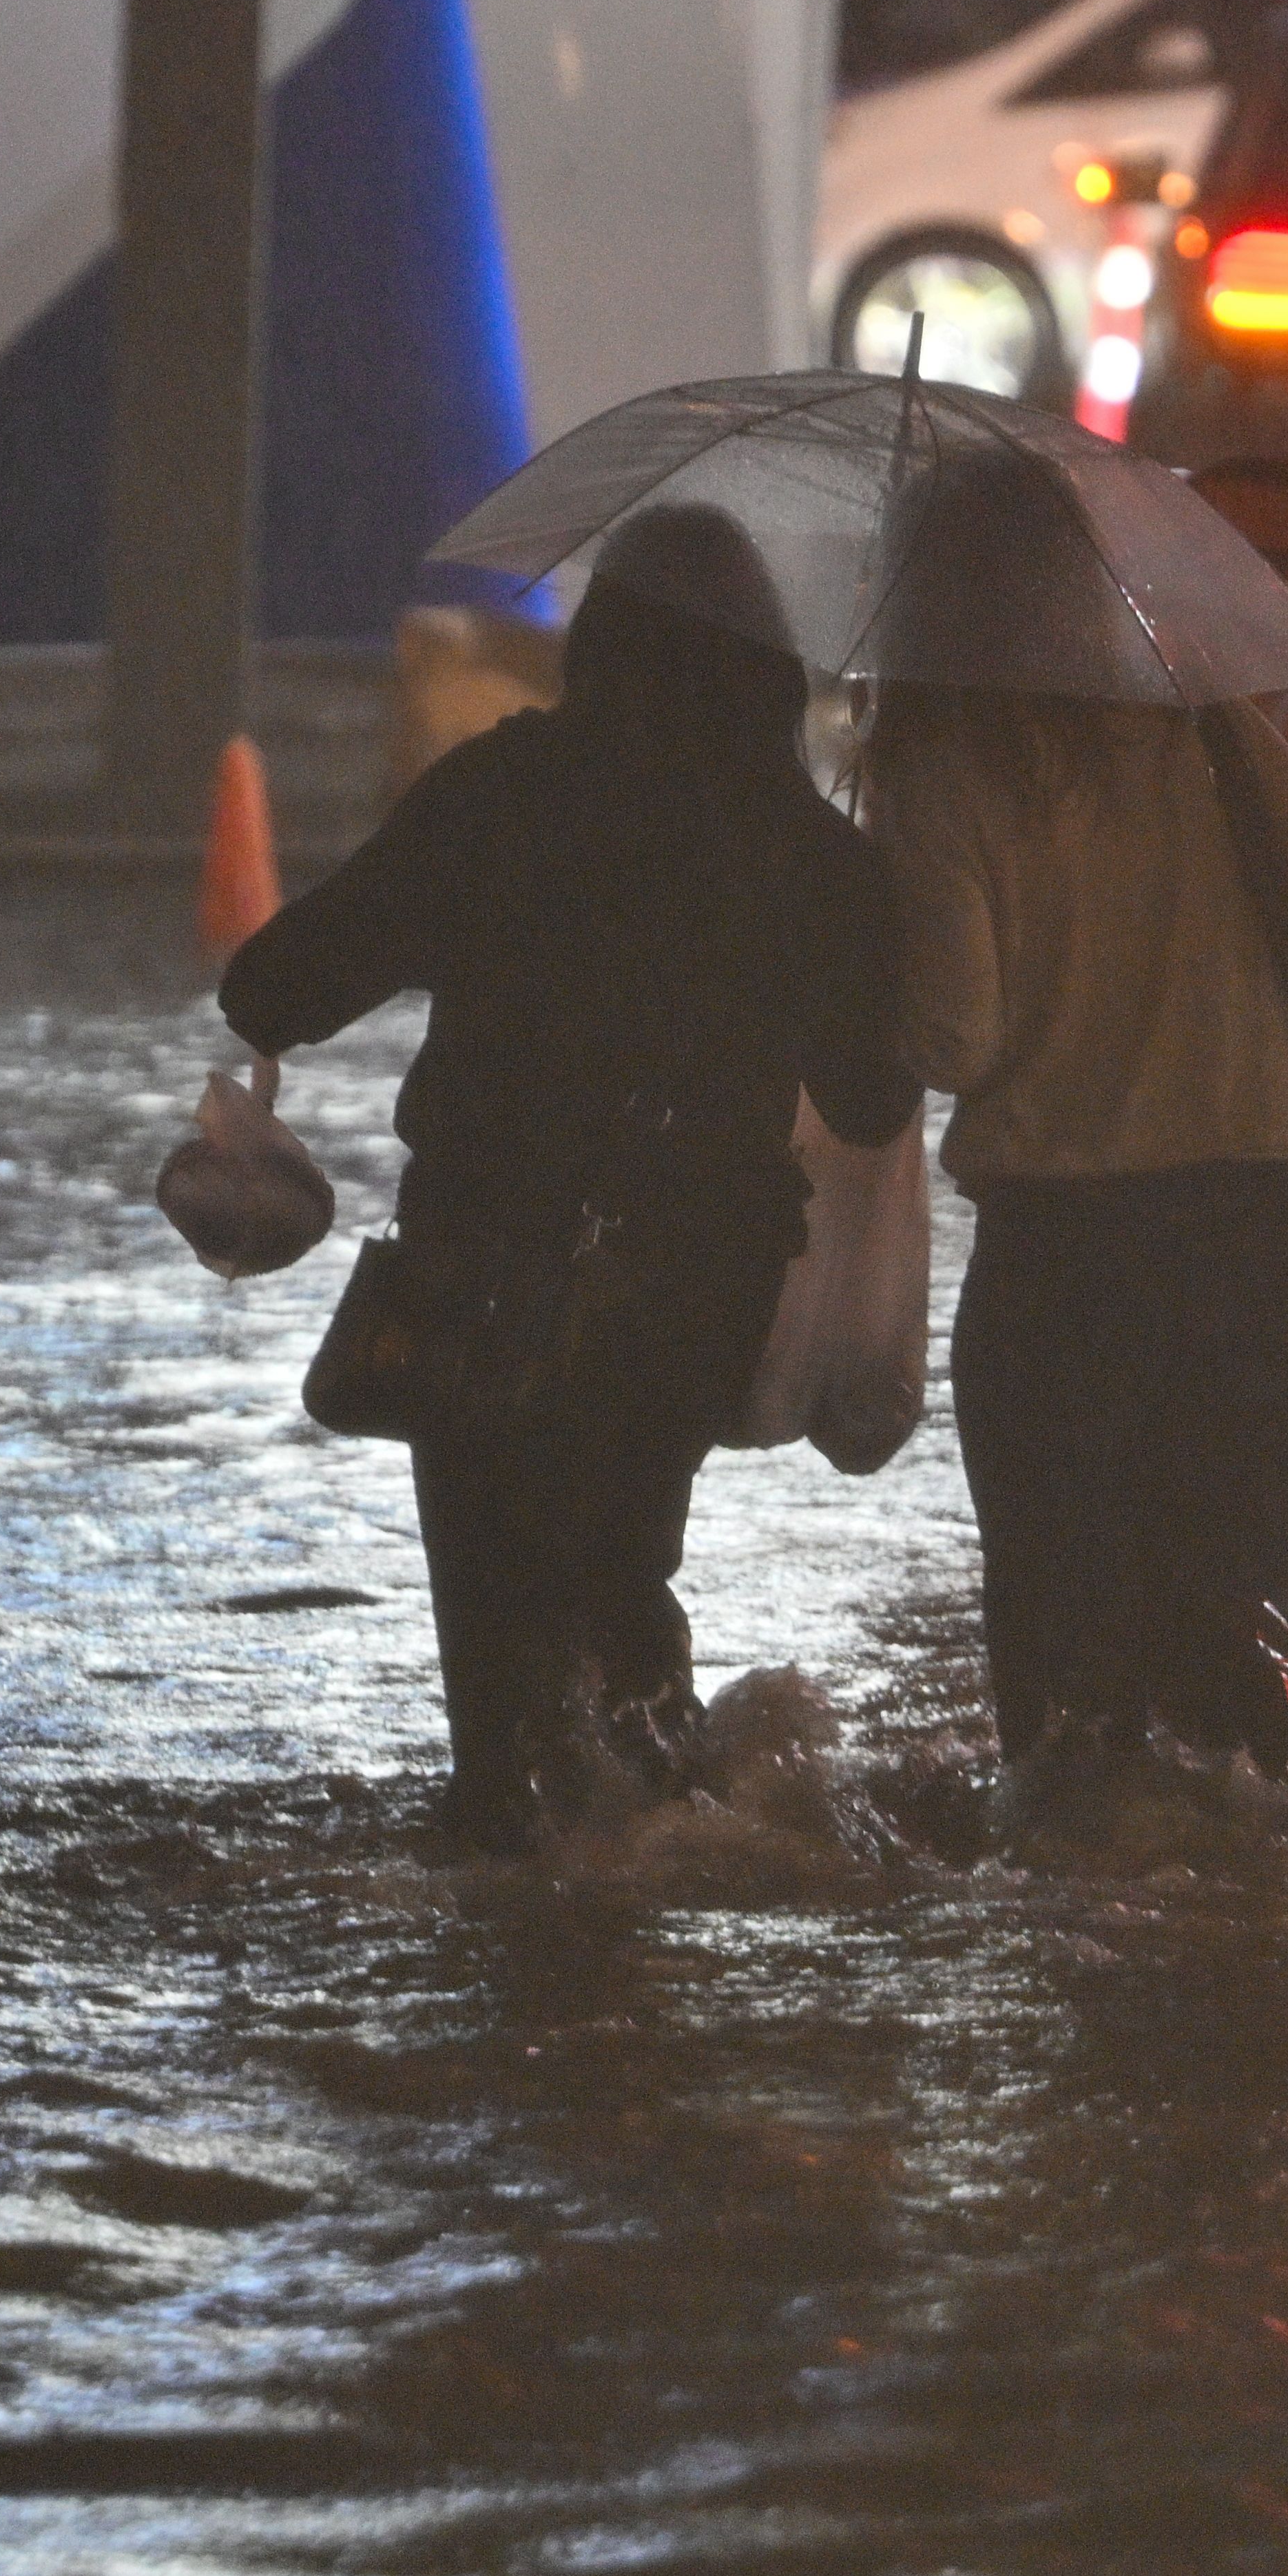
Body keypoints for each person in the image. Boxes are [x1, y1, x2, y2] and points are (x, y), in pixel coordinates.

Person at [220, 504, 915, 1849]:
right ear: (768, 672)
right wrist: (861, 892)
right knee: (623, 1586)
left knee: (504, 1663)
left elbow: (273, 986)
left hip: (488, 1269)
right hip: (697, 1288)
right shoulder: (813, 855)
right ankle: (656, 1874)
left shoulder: (503, 792)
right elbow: (875, 1097)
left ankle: (532, 1941)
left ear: (599, 647)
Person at [869, 650, 1288, 1794]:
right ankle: (1268, 1874)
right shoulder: (1222, 734)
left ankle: (1087, 1919)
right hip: (1259, 1239)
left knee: (1065, 1650)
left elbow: (957, 1037)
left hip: (1068, 1258)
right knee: (1218, 1606)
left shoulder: (947, 771)